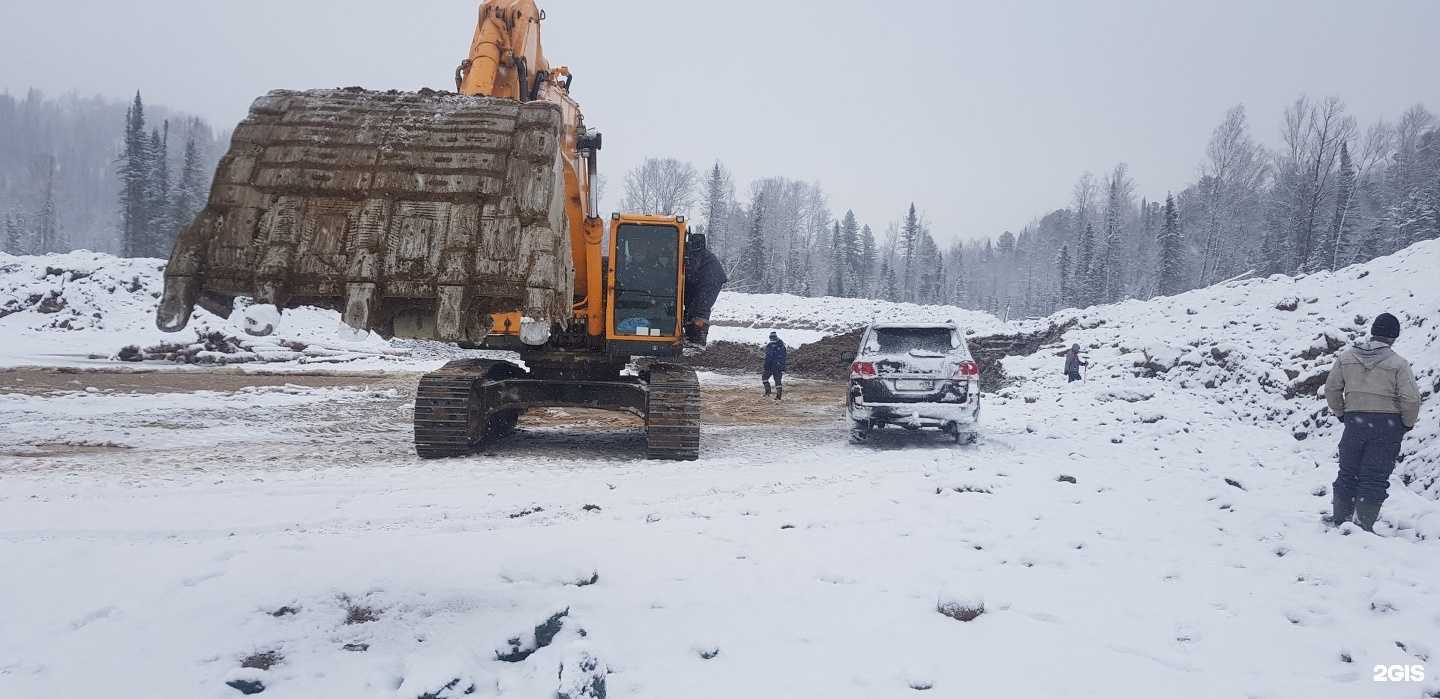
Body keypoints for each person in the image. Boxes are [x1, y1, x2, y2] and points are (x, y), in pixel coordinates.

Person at [1324, 312, 1422, 532]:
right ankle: (1363, 526)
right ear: (1394, 337)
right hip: (1387, 427)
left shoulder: (1346, 358)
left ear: (1373, 332)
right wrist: (1406, 423)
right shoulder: (1399, 364)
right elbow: (1411, 399)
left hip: (1354, 422)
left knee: (1348, 472)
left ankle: (1341, 520)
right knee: (1374, 477)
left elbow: (1331, 389)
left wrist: (1342, 413)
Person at [683, 234, 728, 345]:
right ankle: (691, 335)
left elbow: (691, 272)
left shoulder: (695, 254)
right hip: (706, 280)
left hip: (710, 281)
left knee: (699, 307)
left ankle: (697, 338)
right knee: (691, 305)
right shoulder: (695, 252)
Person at [763, 331, 787, 400]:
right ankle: (768, 392)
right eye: (771, 337)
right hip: (769, 366)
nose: (771, 339)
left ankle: (778, 396)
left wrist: (781, 366)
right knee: (764, 378)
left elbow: (783, 357)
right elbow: (767, 357)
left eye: (772, 337)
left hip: (777, 366)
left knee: (777, 381)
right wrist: (766, 365)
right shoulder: (769, 345)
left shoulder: (781, 346)